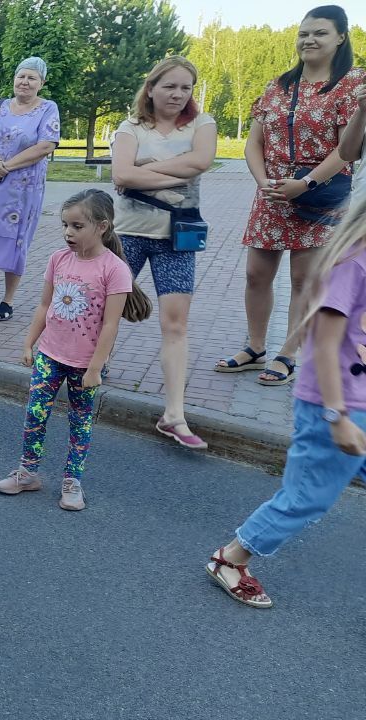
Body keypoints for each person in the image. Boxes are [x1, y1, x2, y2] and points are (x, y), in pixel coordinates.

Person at [205, 194, 366, 609]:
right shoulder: (353, 265)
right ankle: (231, 558)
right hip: (335, 407)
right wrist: (336, 415)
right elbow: (325, 345)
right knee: (307, 497)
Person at [216, 5, 365, 387]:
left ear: (340, 37)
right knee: (255, 275)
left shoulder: (353, 85)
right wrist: (263, 181)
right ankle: (255, 347)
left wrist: (306, 183)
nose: (309, 40)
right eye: (304, 33)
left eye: (320, 33)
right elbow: (254, 142)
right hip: (272, 194)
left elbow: (346, 149)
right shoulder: (278, 86)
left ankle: (288, 352)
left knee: (304, 279)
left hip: (319, 195)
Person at [0, 189, 151, 510]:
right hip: (49, 356)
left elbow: (110, 325)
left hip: (86, 364)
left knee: (80, 422)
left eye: (77, 226)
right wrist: (29, 342)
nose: (68, 232)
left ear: (102, 226)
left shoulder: (115, 269)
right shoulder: (58, 259)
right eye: (65, 225)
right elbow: (43, 305)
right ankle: (27, 473)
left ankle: (72, 481)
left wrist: (96, 366)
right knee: (34, 416)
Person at [111, 56, 216, 450]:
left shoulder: (201, 125)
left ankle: (174, 414)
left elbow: (203, 161)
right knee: (107, 308)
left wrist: (147, 166)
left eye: (185, 87)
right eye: (169, 86)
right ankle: (86, 369)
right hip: (128, 232)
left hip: (178, 235)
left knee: (175, 325)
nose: (178, 94)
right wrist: (178, 169)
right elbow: (121, 175)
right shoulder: (130, 127)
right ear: (151, 88)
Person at [0, 57, 61, 323]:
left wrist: (5, 166)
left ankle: (8, 300)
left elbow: (46, 145)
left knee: (14, 242)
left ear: (41, 82)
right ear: (14, 79)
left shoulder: (47, 109)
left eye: (32, 78)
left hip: (22, 190)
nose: (25, 82)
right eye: (21, 76)